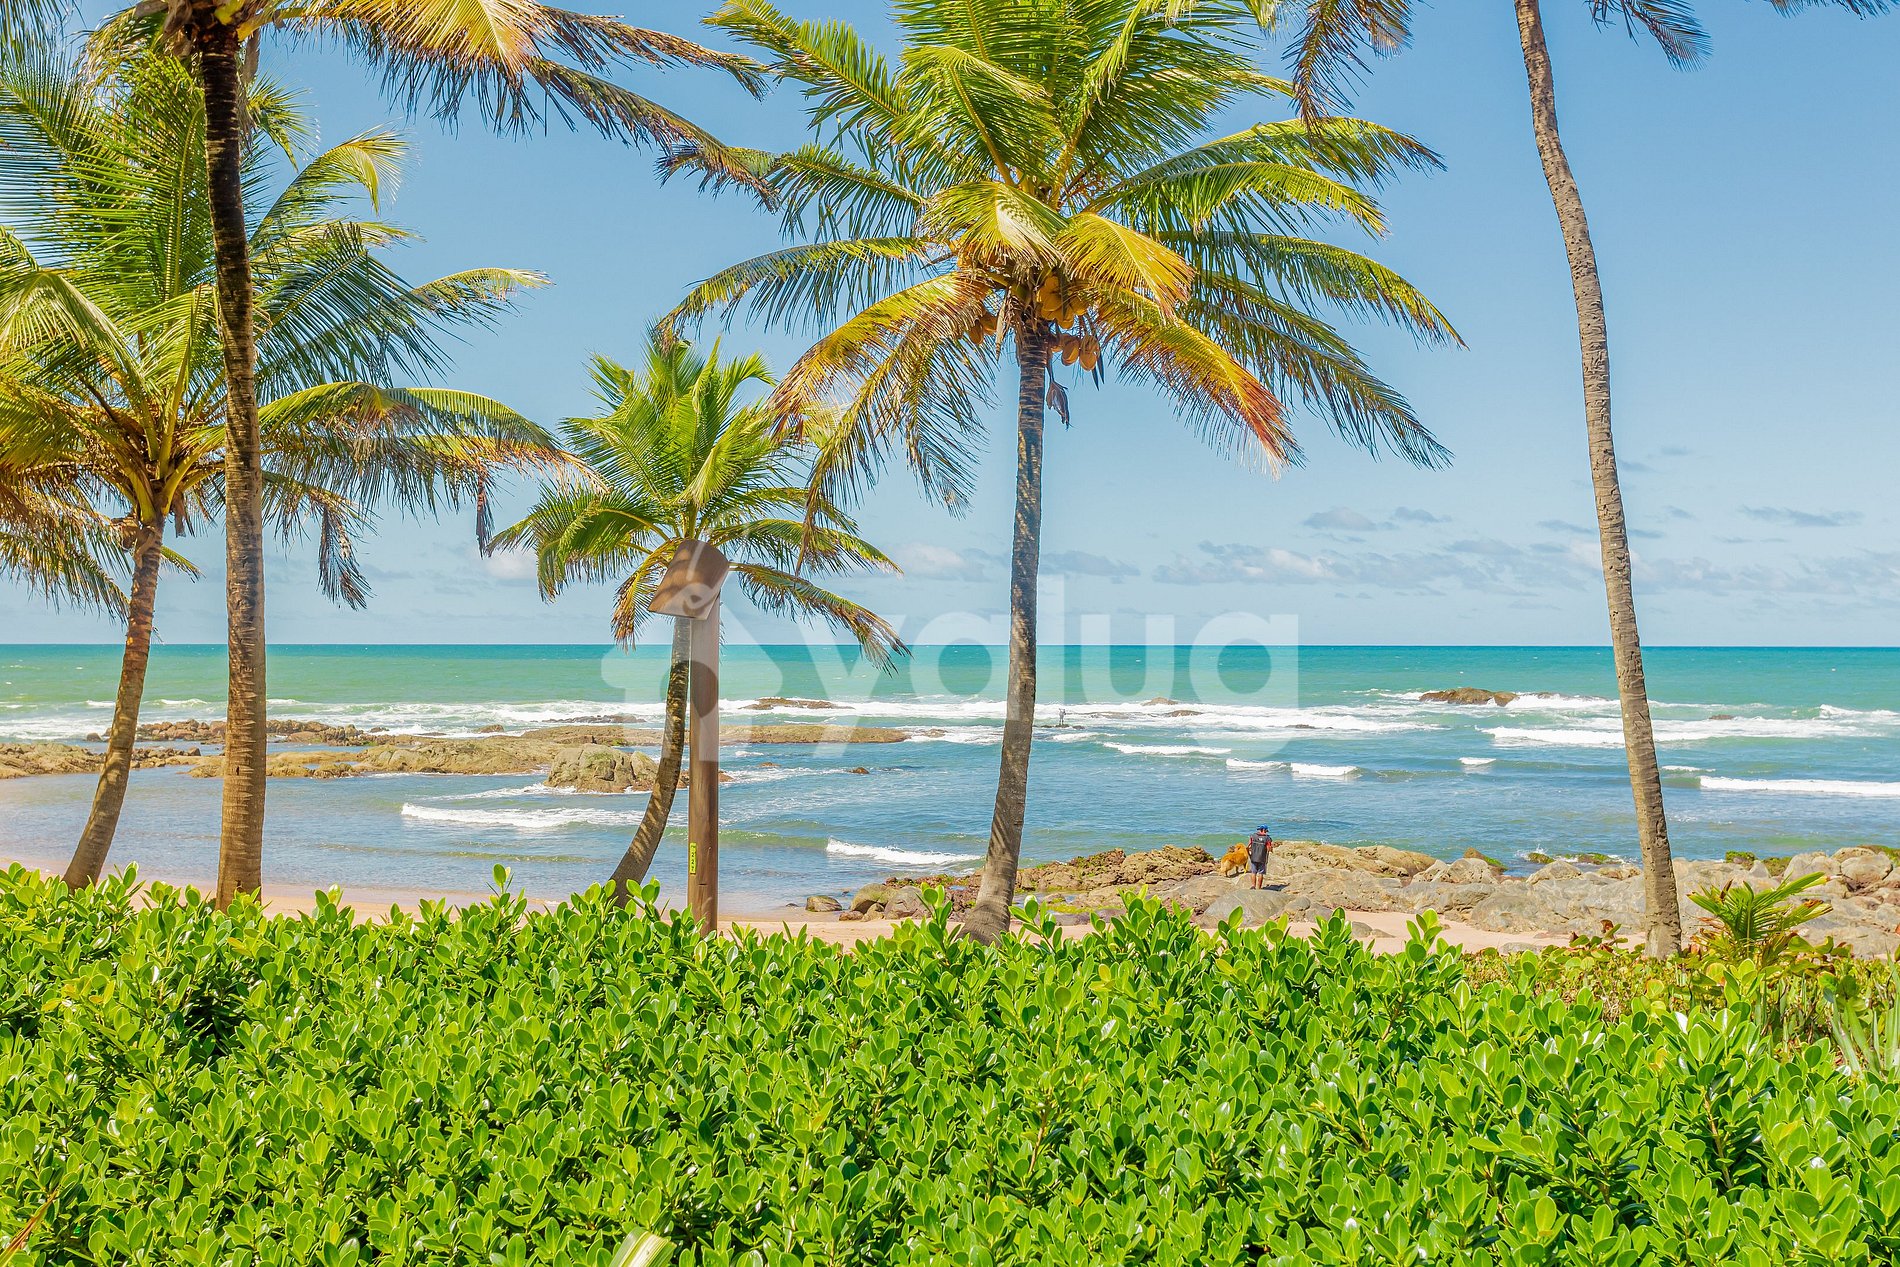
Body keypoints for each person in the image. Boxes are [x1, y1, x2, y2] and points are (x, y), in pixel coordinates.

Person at [1246, 824, 1275, 890]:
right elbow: (1269, 848)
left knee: (1253, 872)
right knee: (1260, 873)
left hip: (1253, 857)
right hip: (1262, 858)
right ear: (1264, 830)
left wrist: (1249, 854)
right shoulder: (1267, 838)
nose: (1266, 832)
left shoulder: (1253, 836)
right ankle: (1259, 888)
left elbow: (1248, 846)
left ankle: (1253, 886)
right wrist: (1271, 849)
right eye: (1266, 830)